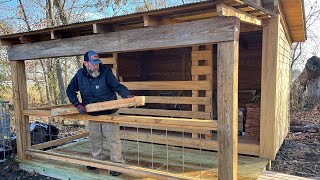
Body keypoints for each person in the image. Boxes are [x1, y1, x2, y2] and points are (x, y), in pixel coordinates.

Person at [66, 50, 132, 176]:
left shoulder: (106, 72)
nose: (96, 66)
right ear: (86, 63)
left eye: (97, 63)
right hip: (93, 114)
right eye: (93, 63)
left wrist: (127, 95)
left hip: (109, 112)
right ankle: (97, 160)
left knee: (113, 139)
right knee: (95, 139)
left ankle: (117, 164)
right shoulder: (80, 75)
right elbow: (70, 91)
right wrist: (77, 104)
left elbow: (118, 87)